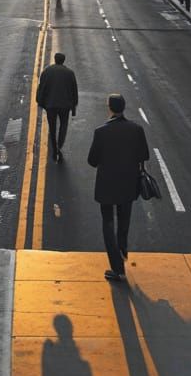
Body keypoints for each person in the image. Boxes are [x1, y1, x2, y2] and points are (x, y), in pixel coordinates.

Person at [87, 94, 150, 282]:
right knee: (124, 221)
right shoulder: (137, 129)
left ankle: (116, 266)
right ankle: (122, 249)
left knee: (108, 224)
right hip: (128, 184)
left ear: (110, 108)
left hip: (107, 185)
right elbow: (144, 155)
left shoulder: (101, 132)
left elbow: (92, 161)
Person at [36, 52, 78, 163]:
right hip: (65, 105)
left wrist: (40, 102)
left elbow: (41, 87)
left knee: (52, 126)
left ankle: (54, 148)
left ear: (55, 60)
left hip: (51, 105)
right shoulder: (70, 73)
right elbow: (74, 91)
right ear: (63, 60)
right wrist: (73, 107)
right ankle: (60, 145)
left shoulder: (47, 71)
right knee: (63, 125)